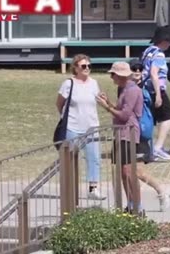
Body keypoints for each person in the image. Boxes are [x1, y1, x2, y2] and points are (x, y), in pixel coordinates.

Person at [96, 61, 144, 213]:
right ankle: (130, 203)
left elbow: (124, 115)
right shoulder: (123, 89)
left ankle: (137, 205)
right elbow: (120, 109)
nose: (112, 77)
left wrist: (106, 107)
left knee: (128, 171)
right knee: (123, 172)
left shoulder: (132, 90)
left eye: (113, 74)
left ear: (120, 75)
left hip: (128, 134)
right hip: (120, 133)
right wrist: (108, 102)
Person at [56, 54, 104, 200]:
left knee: (94, 158)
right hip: (73, 126)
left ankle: (93, 188)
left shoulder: (94, 83)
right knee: (69, 159)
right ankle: (69, 188)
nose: (87, 69)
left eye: (89, 66)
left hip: (91, 126)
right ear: (75, 68)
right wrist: (64, 118)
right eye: (83, 66)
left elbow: (98, 100)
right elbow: (59, 103)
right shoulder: (68, 84)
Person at [127, 59, 170, 211]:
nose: (137, 71)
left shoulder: (147, 86)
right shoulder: (125, 87)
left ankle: (160, 190)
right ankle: (132, 203)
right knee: (126, 171)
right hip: (128, 132)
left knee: (137, 171)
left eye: (140, 68)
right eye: (134, 68)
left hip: (141, 132)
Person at [141, 26, 170, 161]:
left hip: (145, 88)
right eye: (169, 41)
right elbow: (154, 74)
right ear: (164, 41)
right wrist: (158, 94)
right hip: (155, 89)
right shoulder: (159, 54)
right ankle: (158, 147)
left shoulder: (147, 51)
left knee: (150, 119)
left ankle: (150, 149)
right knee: (169, 117)